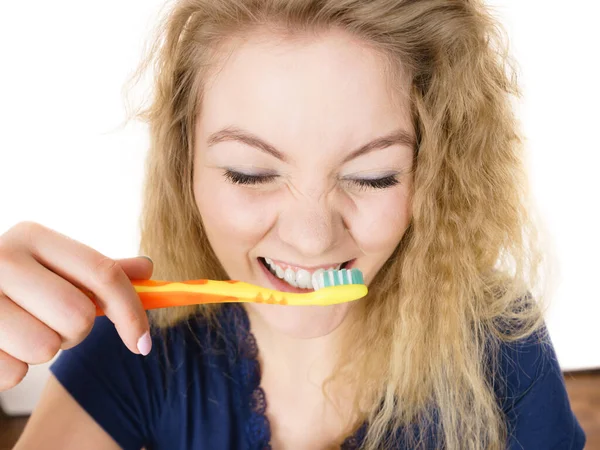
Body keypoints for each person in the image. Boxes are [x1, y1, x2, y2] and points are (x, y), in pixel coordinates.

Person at [0, 0, 586, 448]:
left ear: (437, 173)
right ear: (185, 166)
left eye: (374, 176)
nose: (311, 237)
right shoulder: (135, 344)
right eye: (251, 174)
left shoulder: (502, 347)